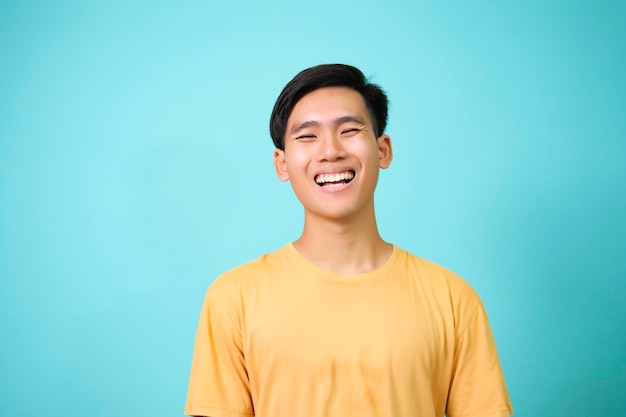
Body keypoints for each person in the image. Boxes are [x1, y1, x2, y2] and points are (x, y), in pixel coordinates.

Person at [185, 64, 514, 417]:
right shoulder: (234, 298)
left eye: (350, 130)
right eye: (307, 136)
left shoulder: (452, 299)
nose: (330, 151)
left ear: (383, 149)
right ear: (281, 164)